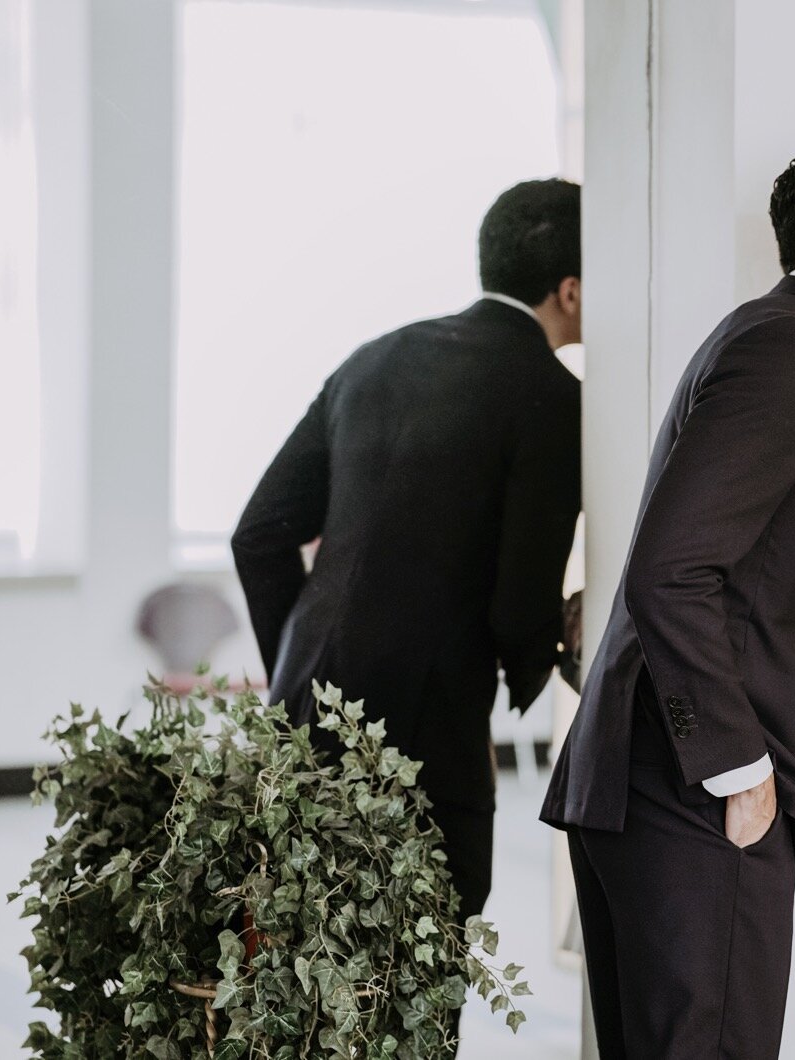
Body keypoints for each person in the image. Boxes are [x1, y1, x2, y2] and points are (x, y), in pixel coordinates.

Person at [540, 130, 795, 1058]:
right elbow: (670, 572)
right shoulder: (792, 351)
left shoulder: (794, 342)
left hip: (654, 783)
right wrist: (740, 769)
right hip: (689, 794)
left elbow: (744, 592)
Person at [232, 178, 583, 931]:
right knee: (415, 962)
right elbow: (520, 598)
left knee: (298, 960)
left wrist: (300, 674)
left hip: (299, 713)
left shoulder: (375, 359)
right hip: (427, 738)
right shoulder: (554, 398)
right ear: (572, 290)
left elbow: (257, 534)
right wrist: (553, 654)